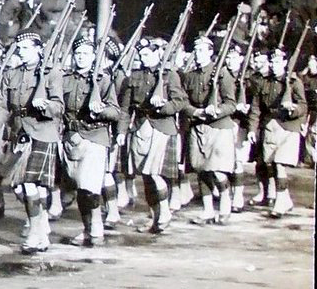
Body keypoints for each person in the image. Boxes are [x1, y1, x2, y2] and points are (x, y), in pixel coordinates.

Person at [0, 31, 64, 253]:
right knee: (21, 187)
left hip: (43, 132)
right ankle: (40, 228)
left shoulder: (51, 73)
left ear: (39, 49)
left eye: (26, 48)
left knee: (30, 184)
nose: (21, 51)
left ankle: (34, 233)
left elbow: (59, 107)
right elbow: (2, 104)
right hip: (20, 134)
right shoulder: (12, 74)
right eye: (19, 48)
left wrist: (45, 106)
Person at [118, 39, 186, 234]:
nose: (142, 57)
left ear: (158, 54)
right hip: (140, 129)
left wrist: (163, 106)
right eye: (141, 54)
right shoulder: (134, 76)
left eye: (147, 54)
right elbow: (125, 108)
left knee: (155, 174)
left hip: (162, 128)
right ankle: (154, 217)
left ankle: (165, 212)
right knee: (146, 177)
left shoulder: (169, 75)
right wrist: (122, 131)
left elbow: (180, 101)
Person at [60, 37, 122, 246]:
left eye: (86, 53)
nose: (81, 57)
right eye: (78, 54)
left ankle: (96, 227)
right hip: (72, 139)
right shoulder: (65, 79)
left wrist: (101, 110)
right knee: (79, 187)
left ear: (94, 56)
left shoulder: (103, 80)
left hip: (95, 137)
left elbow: (116, 111)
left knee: (89, 186)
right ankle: (88, 228)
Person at [180, 35, 238, 226]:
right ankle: (207, 210)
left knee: (218, 171)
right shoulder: (190, 75)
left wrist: (217, 111)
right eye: (196, 50)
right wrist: (197, 111)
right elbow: (184, 102)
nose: (198, 54)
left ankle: (225, 202)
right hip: (198, 126)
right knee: (201, 170)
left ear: (211, 52)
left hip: (219, 128)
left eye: (202, 50)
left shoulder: (221, 73)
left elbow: (231, 103)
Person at [247, 48, 308, 218]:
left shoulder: (294, 82)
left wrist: (294, 109)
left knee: (280, 164)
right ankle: (285, 199)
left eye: (278, 62)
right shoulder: (264, 82)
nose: (274, 65)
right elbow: (256, 108)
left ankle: (280, 202)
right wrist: (252, 129)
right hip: (270, 127)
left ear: (285, 63)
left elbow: (303, 106)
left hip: (289, 127)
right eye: (272, 62)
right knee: (271, 165)